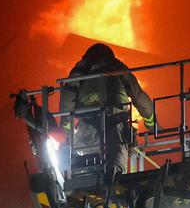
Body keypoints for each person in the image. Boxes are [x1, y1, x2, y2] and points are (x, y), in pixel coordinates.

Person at [59, 43, 155, 180]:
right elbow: (138, 96)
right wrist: (151, 124)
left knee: (87, 161)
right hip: (116, 119)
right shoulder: (116, 66)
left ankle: (86, 183)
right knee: (116, 161)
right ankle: (114, 183)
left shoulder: (80, 68)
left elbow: (67, 98)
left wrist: (66, 129)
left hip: (89, 121)